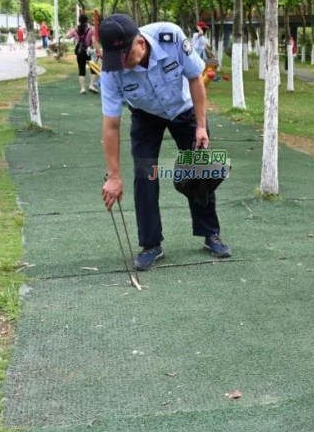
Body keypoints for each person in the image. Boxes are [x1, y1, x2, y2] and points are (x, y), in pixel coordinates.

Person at [98, 14, 231, 271]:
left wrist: (201, 126)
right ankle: (151, 244)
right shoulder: (112, 71)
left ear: (140, 42)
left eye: (125, 56)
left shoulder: (170, 37)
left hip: (185, 107)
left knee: (200, 169)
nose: (121, 65)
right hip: (145, 115)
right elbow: (111, 125)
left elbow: (195, 78)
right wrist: (113, 175)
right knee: (144, 176)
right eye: (116, 59)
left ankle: (210, 234)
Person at [67, 14, 98, 94]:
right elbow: (94, 41)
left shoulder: (75, 30)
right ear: (87, 21)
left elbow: (67, 36)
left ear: (79, 21)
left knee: (81, 70)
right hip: (89, 52)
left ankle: (82, 88)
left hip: (80, 53)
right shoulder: (91, 30)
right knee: (93, 69)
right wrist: (96, 50)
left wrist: (70, 31)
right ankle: (91, 85)